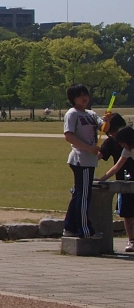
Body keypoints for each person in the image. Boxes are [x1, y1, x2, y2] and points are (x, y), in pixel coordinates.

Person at [63, 84, 103, 239]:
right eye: (79, 95)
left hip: (89, 160)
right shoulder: (72, 114)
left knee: (78, 194)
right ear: (73, 99)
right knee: (84, 196)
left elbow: (103, 127)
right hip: (81, 159)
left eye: (85, 94)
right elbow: (68, 136)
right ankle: (85, 231)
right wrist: (89, 148)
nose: (83, 97)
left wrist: (107, 120)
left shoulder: (91, 114)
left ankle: (70, 227)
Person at [97, 120, 134, 251]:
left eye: (122, 142)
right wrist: (102, 179)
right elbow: (117, 167)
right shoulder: (127, 150)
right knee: (127, 211)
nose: (121, 145)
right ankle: (131, 240)